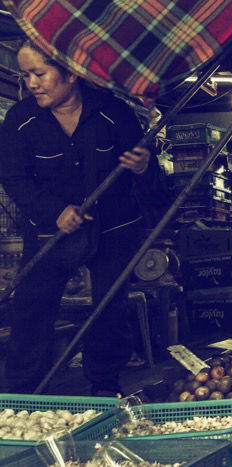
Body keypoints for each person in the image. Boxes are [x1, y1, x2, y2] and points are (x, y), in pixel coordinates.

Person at [0, 41, 160, 395]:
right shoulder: (20, 120)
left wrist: (144, 166)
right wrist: (53, 212)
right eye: (26, 75)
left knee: (109, 308)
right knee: (30, 308)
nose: (31, 84)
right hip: (49, 232)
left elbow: (150, 177)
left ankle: (104, 387)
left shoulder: (113, 114)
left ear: (70, 74)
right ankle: (23, 395)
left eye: (39, 74)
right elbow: (14, 178)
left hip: (113, 227)